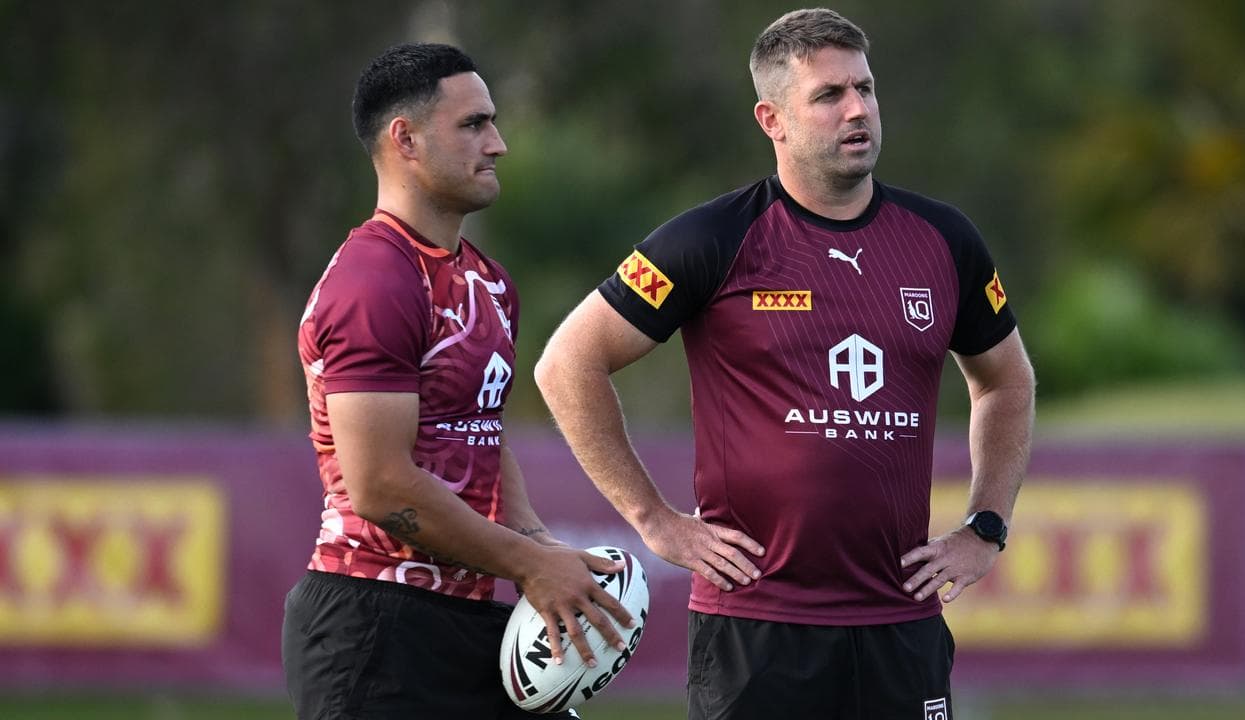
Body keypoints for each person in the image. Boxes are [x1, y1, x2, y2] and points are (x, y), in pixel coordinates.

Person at [534, 9, 1035, 720]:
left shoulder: (944, 240)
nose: (858, 109)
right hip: (757, 630)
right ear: (772, 119)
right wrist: (654, 519)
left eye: (865, 88)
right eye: (829, 96)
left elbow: (1006, 380)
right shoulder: (713, 238)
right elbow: (567, 364)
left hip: (900, 626)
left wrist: (986, 525)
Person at [282, 42, 633, 720]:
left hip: (465, 613)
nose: (497, 144)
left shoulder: (489, 282)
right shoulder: (374, 278)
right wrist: (528, 566)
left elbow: (479, 432)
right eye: (473, 124)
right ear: (405, 139)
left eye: (493, 122)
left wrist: (535, 543)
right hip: (371, 620)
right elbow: (381, 485)